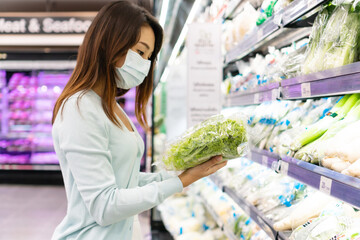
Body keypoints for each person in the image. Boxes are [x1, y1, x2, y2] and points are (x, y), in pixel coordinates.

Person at [51, 1, 227, 239]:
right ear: (110, 42)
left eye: (149, 56)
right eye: (140, 52)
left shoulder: (111, 106)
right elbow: (104, 205)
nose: (144, 64)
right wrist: (181, 182)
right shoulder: (80, 108)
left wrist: (181, 173)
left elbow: (127, 179)